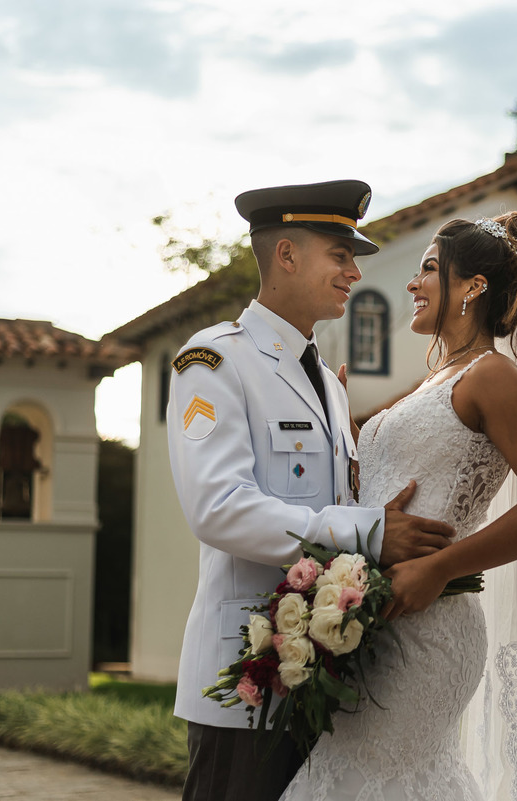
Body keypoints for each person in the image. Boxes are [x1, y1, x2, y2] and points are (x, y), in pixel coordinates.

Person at [281, 212, 517, 800]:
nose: (413, 285)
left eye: (430, 270)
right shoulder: (437, 379)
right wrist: (339, 423)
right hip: (373, 623)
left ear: (472, 288)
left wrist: (441, 566)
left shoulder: (495, 377)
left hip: (428, 627)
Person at [167, 180, 457, 801]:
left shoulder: (326, 380)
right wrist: (371, 531)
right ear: (287, 256)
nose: (354, 271)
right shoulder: (214, 362)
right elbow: (218, 510)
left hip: (324, 672)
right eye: (340, 255)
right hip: (244, 677)